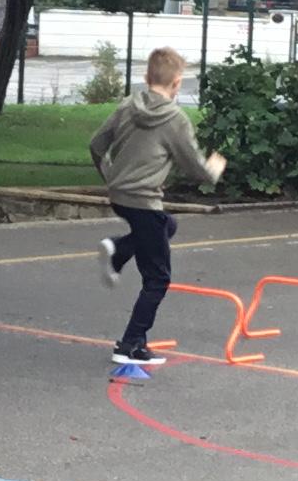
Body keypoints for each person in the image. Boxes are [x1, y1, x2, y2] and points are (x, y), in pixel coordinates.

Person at [89, 46, 225, 371]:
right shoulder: (175, 119)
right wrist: (214, 169)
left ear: (146, 76)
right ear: (177, 83)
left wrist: (111, 176)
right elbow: (194, 167)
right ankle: (129, 345)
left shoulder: (128, 105)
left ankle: (118, 250)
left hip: (120, 196)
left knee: (168, 226)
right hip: (144, 201)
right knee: (158, 278)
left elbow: (96, 144)